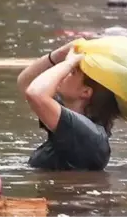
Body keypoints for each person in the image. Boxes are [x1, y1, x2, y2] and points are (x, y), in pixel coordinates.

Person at [17, 41, 121, 171]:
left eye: (71, 72)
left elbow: (35, 93)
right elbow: (26, 83)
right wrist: (60, 54)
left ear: (85, 92)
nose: (63, 73)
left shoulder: (88, 135)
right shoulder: (71, 116)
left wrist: (70, 62)